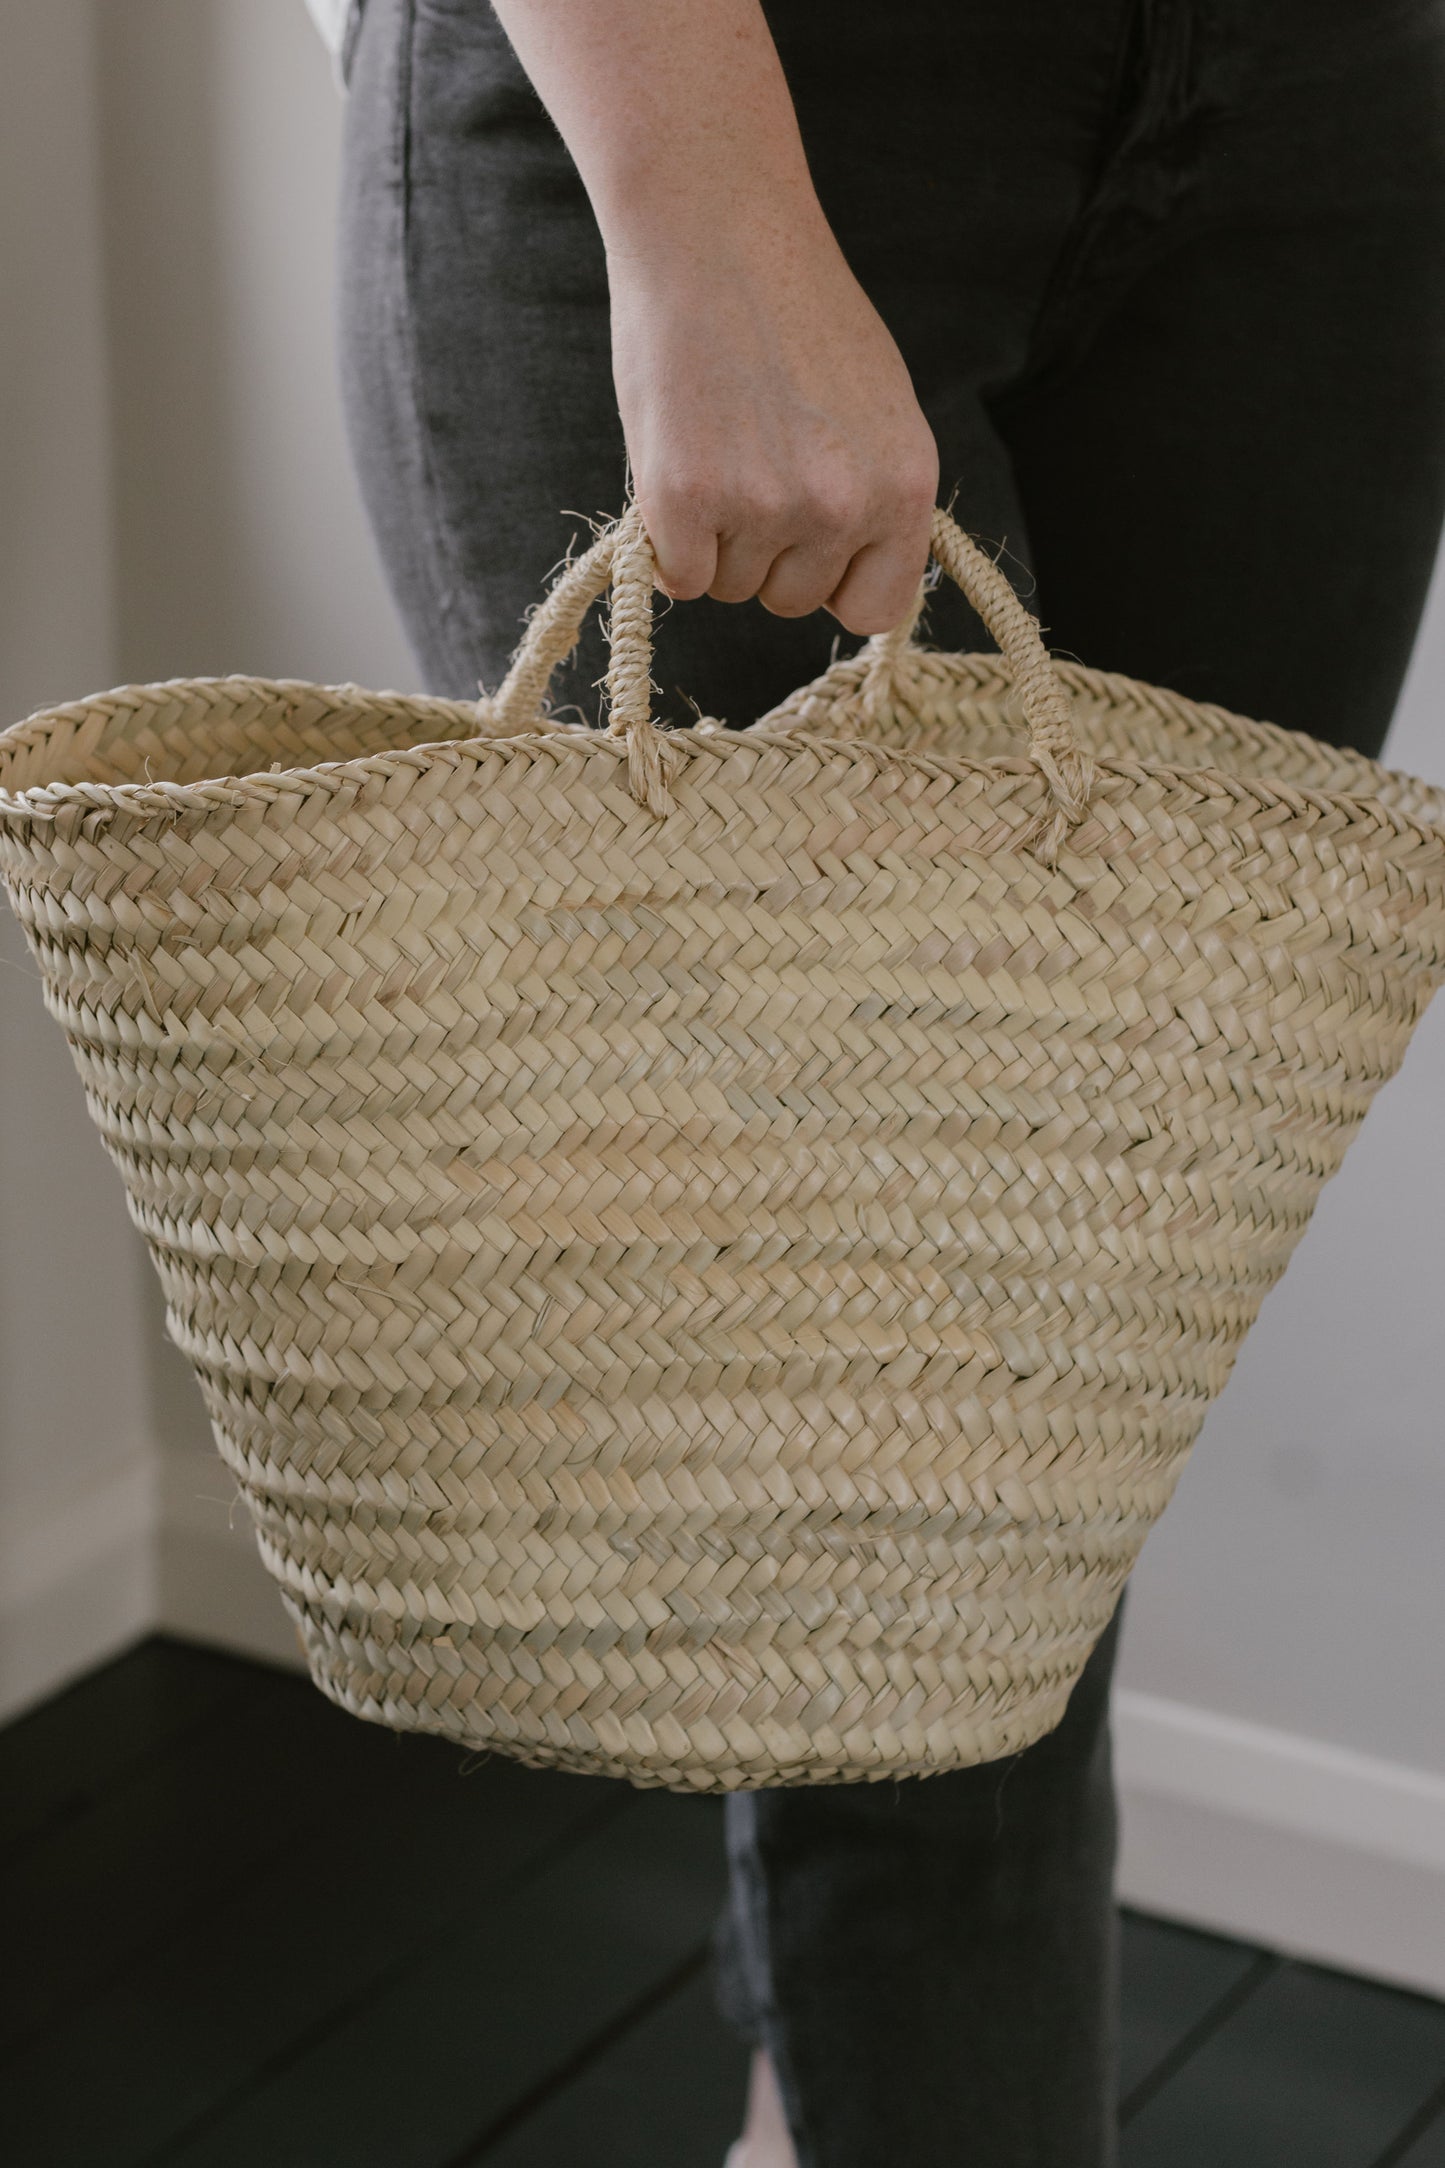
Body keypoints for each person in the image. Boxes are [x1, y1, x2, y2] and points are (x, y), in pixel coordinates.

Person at [318, 3, 1445, 2162]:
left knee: (1046, 1396)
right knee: (878, 1473)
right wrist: (706, 197)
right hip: (750, 76)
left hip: (1331, 95)